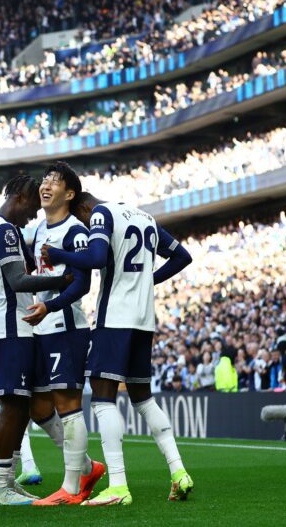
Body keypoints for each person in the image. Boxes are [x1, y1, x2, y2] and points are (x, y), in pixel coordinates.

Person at [44, 190, 194, 506]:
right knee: (143, 398)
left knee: (102, 399)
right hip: (144, 319)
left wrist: (62, 256)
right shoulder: (146, 217)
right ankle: (179, 472)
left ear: (84, 207)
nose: (86, 229)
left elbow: (97, 258)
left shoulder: (100, 214)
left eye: (82, 220)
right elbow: (182, 257)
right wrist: (148, 281)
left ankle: (118, 486)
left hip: (116, 318)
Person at [0, 174, 73, 506]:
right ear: (20, 197)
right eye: (32, 207)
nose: (33, 215)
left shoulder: (5, 229)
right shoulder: (4, 230)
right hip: (9, 329)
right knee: (12, 407)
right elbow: (18, 281)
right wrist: (64, 279)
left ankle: (6, 480)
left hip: (20, 327)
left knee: (26, 407)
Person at [23, 162, 106, 506]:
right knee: (40, 406)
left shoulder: (75, 231)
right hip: (41, 325)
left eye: (54, 182)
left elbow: (82, 283)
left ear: (69, 194)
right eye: (44, 181)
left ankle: (71, 488)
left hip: (66, 326)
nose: (45, 186)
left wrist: (51, 306)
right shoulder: (39, 228)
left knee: (68, 404)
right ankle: (85, 466)